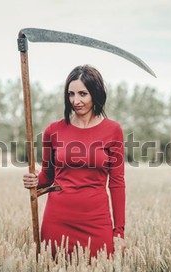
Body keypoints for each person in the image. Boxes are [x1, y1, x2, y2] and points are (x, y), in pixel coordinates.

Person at [23, 65, 126, 259]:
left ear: (95, 94)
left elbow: (117, 183)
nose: (76, 101)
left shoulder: (113, 130)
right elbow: (47, 176)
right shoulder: (53, 131)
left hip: (96, 220)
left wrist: (119, 231)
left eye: (82, 94)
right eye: (71, 94)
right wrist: (34, 180)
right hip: (57, 219)